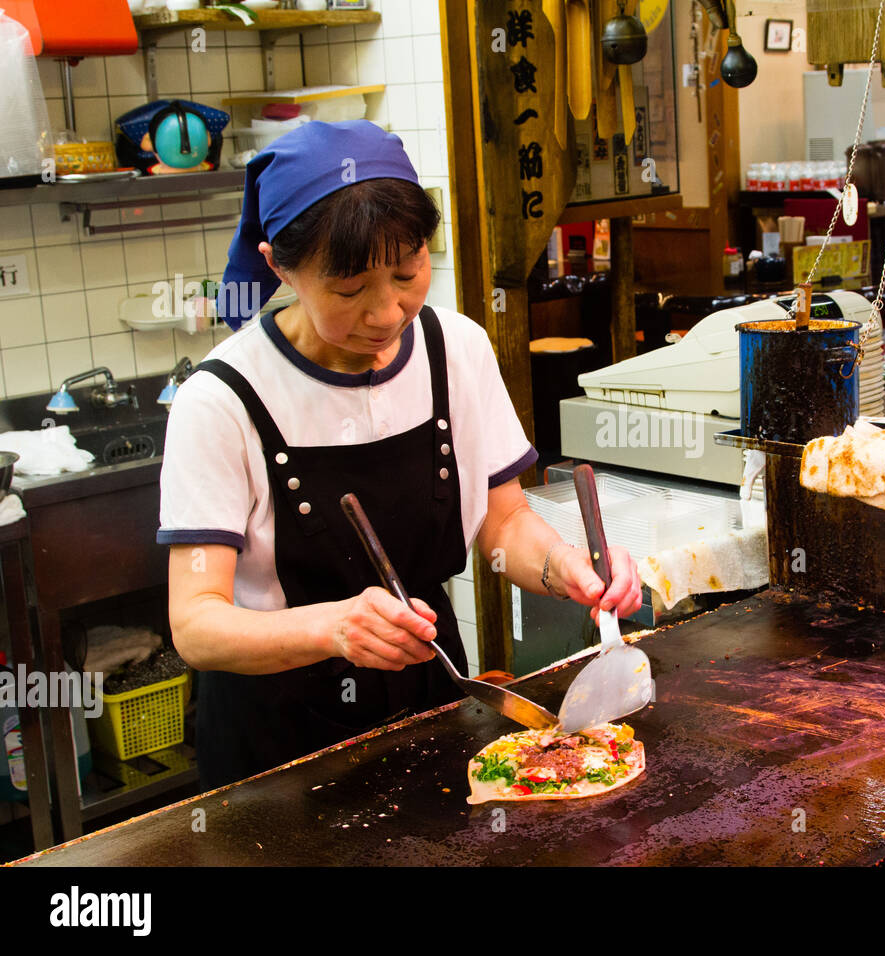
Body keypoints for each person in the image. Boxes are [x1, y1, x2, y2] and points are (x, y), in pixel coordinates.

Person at [158, 120, 642, 789]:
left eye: (408, 272)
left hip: (433, 704)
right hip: (277, 750)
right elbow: (196, 624)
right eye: (351, 290)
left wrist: (566, 566)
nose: (388, 312)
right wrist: (335, 627)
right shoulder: (221, 398)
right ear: (280, 268)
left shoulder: (456, 349)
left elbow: (501, 525)